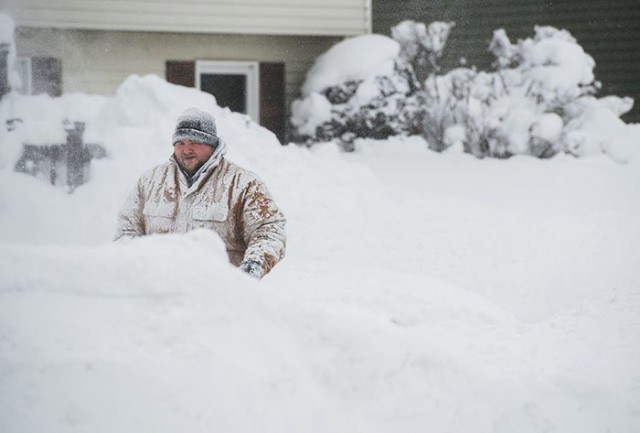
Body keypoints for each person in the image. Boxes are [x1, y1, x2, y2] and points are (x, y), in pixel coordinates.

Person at [115, 107, 286, 279]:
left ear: (211, 145)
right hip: (159, 291)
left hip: (217, 293)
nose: (187, 150)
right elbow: (128, 227)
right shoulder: (150, 181)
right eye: (180, 143)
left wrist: (251, 269)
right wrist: (132, 268)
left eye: (195, 142)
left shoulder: (243, 184)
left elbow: (269, 230)